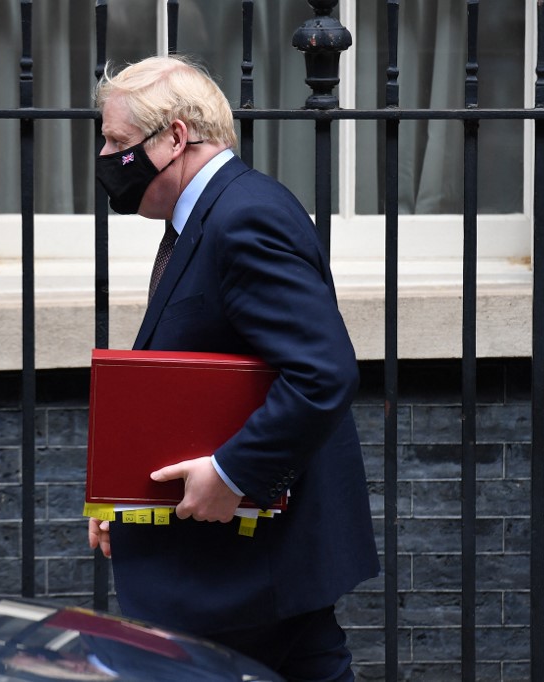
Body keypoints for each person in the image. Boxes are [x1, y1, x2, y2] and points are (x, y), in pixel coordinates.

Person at [87, 55, 379, 682]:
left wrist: (232, 472)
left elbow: (322, 373)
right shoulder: (206, 217)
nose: (106, 156)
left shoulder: (244, 216)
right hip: (243, 571)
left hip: (248, 573)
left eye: (116, 141)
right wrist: (129, 503)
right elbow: (207, 380)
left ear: (174, 137)